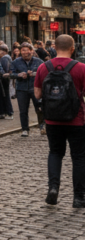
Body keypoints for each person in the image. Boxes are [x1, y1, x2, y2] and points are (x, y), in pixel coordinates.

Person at [35, 34, 85, 207]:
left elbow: (37, 94)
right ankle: (78, 197)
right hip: (76, 120)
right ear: (73, 48)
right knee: (78, 157)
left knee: (55, 153)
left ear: (54, 47)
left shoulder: (43, 67)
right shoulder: (81, 68)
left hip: (52, 120)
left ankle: (53, 189)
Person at [13, 43, 44, 137]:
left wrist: (34, 74)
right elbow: (11, 74)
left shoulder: (38, 61)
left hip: (35, 88)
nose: (26, 52)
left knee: (39, 108)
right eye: (23, 50)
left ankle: (42, 126)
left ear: (32, 51)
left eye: (27, 50)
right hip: (21, 89)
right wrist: (19, 75)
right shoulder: (16, 62)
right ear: (20, 52)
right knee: (23, 110)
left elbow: (45, 73)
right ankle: (25, 129)